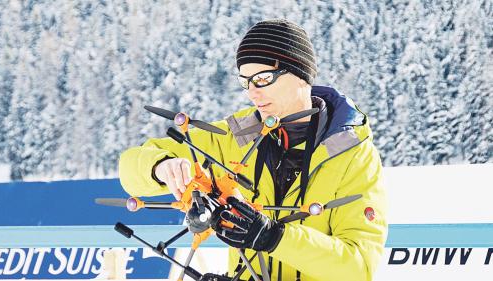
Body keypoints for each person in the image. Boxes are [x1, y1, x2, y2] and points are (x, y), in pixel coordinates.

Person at [119, 19, 387, 281]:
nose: (252, 93)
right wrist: (160, 166)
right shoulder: (239, 135)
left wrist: (276, 238)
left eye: (263, 79)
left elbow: (359, 267)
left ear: (301, 75)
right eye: (245, 81)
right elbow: (130, 167)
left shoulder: (352, 153)